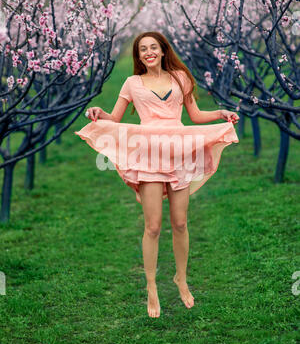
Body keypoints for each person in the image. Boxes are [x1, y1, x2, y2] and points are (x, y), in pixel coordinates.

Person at [74, 31, 239, 318]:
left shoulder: (180, 78)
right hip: (148, 156)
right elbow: (115, 118)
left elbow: (195, 115)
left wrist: (220, 114)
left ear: (163, 51)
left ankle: (181, 279)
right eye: (142, 49)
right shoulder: (132, 83)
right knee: (152, 226)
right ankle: (152, 287)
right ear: (138, 56)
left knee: (180, 222)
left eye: (153, 47)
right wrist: (100, 112)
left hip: (178, 154)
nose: (149, 52)